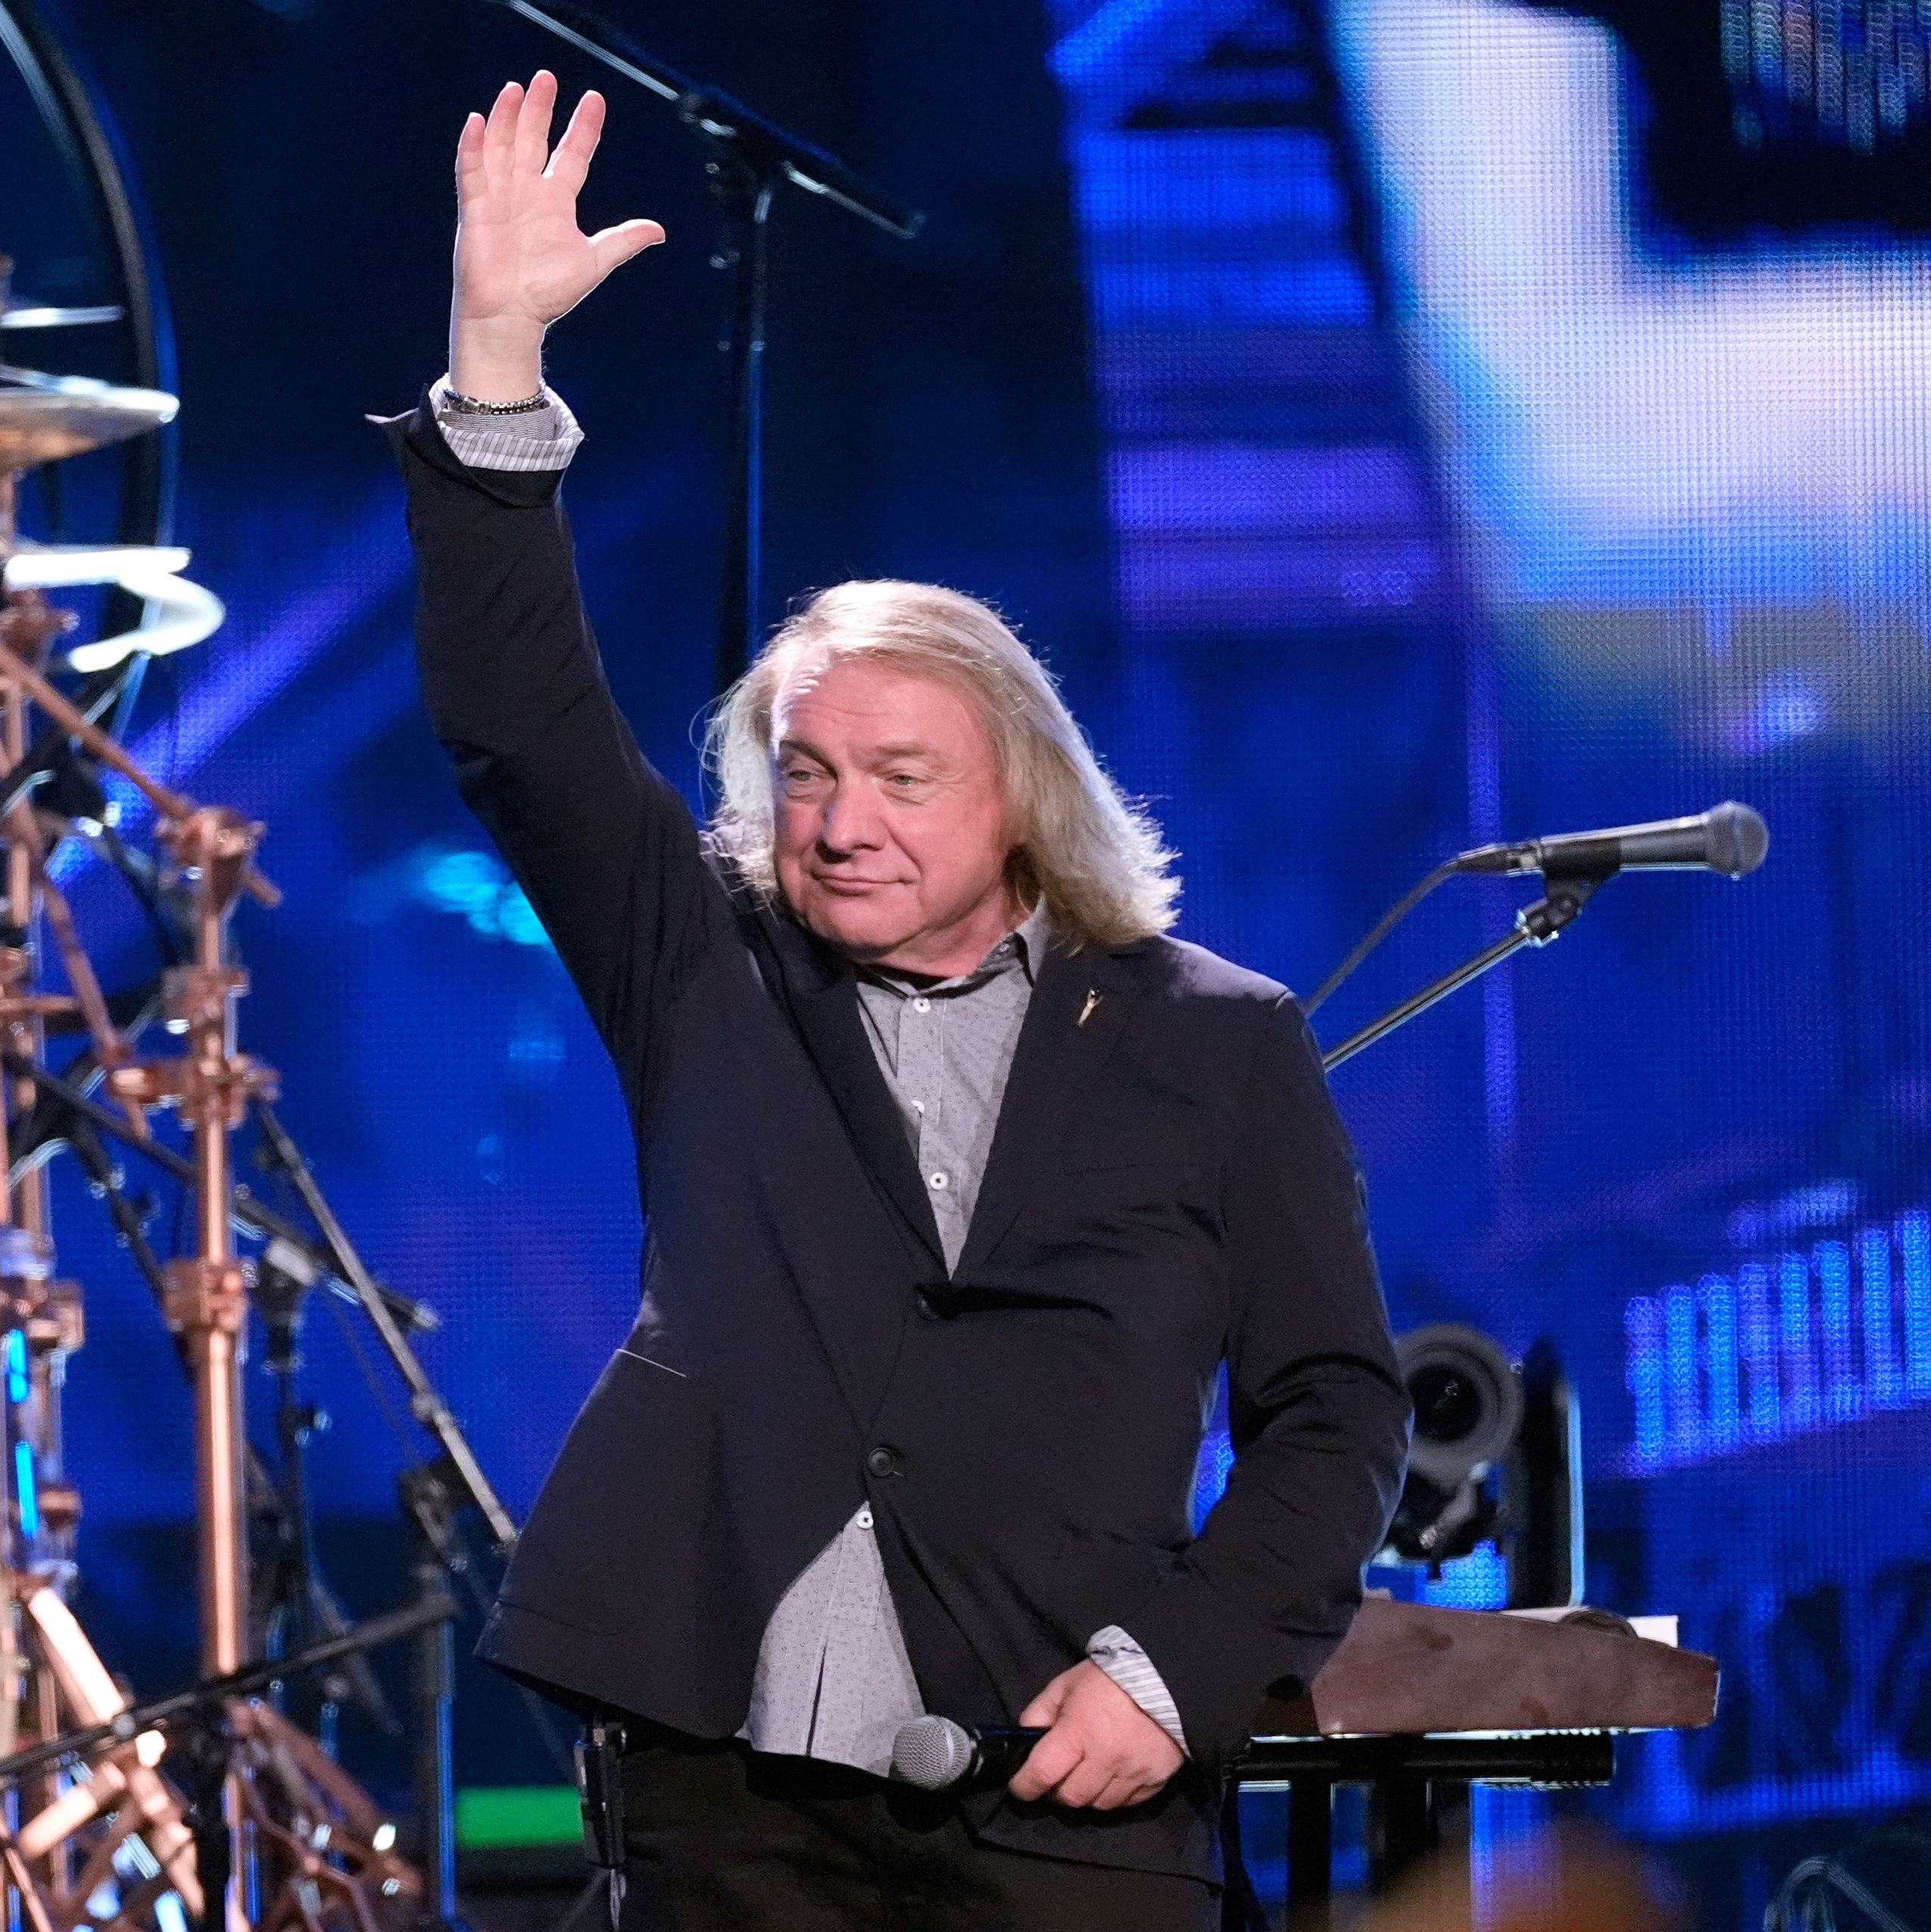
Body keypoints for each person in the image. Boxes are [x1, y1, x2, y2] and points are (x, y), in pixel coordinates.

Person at [388, 72, 1412, 1930]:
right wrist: (495, 366)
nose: (840, 823)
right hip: (730, 1798)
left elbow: (1335, 1411)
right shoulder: (712, 970)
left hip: (1066, 1786)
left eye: (900, 777)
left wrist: (1175, 1669)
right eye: (803, 773)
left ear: (1021, 785)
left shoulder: (1213, 1038)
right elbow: (521, 727)